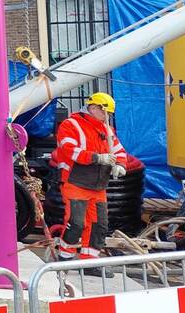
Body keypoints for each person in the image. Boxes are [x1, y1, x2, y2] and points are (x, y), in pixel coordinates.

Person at [52, 92, 129, 276]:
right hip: (75, 182)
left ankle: (89, 263)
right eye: (105, 113)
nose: (107, 117)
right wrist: (97, 158)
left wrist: (120, 165)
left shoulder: (106, 129)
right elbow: (70, 150)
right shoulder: (71, 125)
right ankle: (65, 258)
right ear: (94, 108)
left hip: (98, 186)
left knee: (98, 225)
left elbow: (119, 150)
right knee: (76, 223)